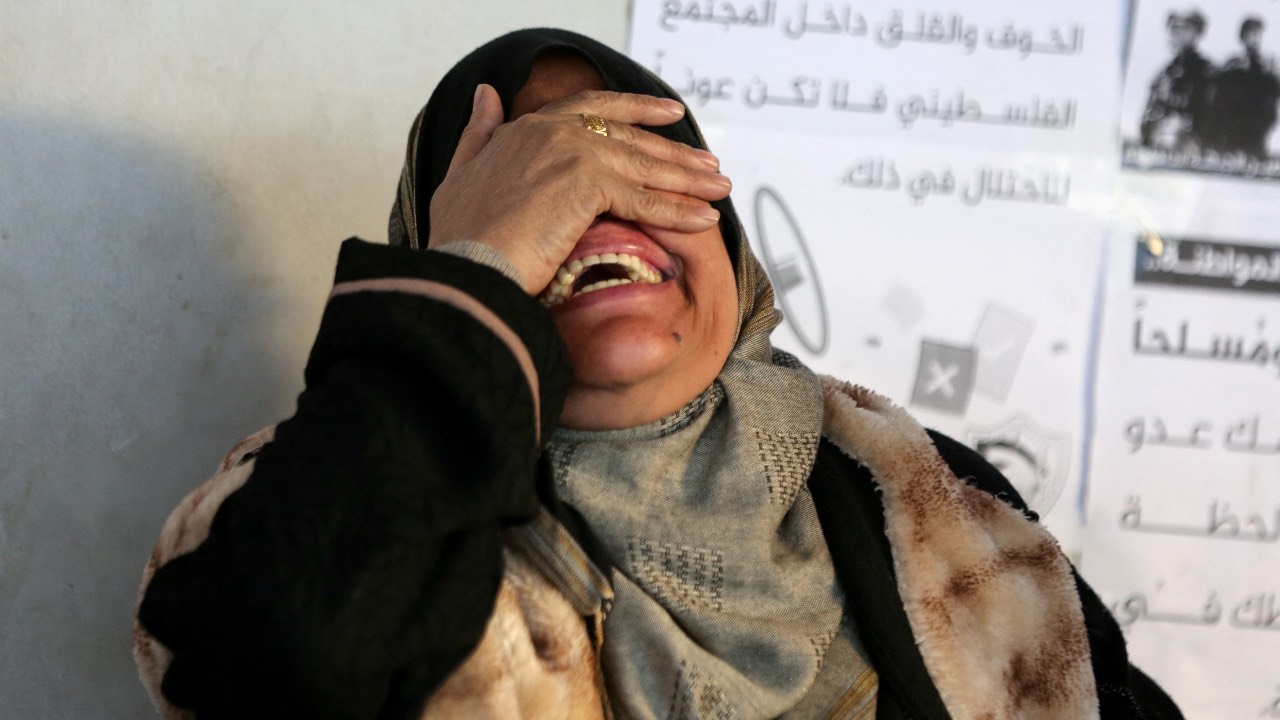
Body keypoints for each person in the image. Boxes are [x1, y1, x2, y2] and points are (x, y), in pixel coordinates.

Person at [133, 28, 1183, 719]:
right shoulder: (301, 507)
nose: (596, 208)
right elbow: (278, 660)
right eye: (537, 180)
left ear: (730, 254)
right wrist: (477, 272)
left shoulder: (920, 498)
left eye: (639, 165)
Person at [1140, 10, 1214, 152]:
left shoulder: (1204, 70)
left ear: (1195, 34)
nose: (1175, 34)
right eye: (1174, 29)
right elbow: (1149, 111)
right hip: (1158, 137)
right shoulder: (1165, 72)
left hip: (1188, 141)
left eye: (1184, 29)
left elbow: (1205, 111)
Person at [1209, 16, 1280, 160]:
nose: (1254, 38)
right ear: (1243, 37)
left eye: (1257, 34)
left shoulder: (1268, 65)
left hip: (1260, 124)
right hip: (1236, 123)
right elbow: (1219, 90)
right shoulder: (1233, 64)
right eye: (1250, 34)